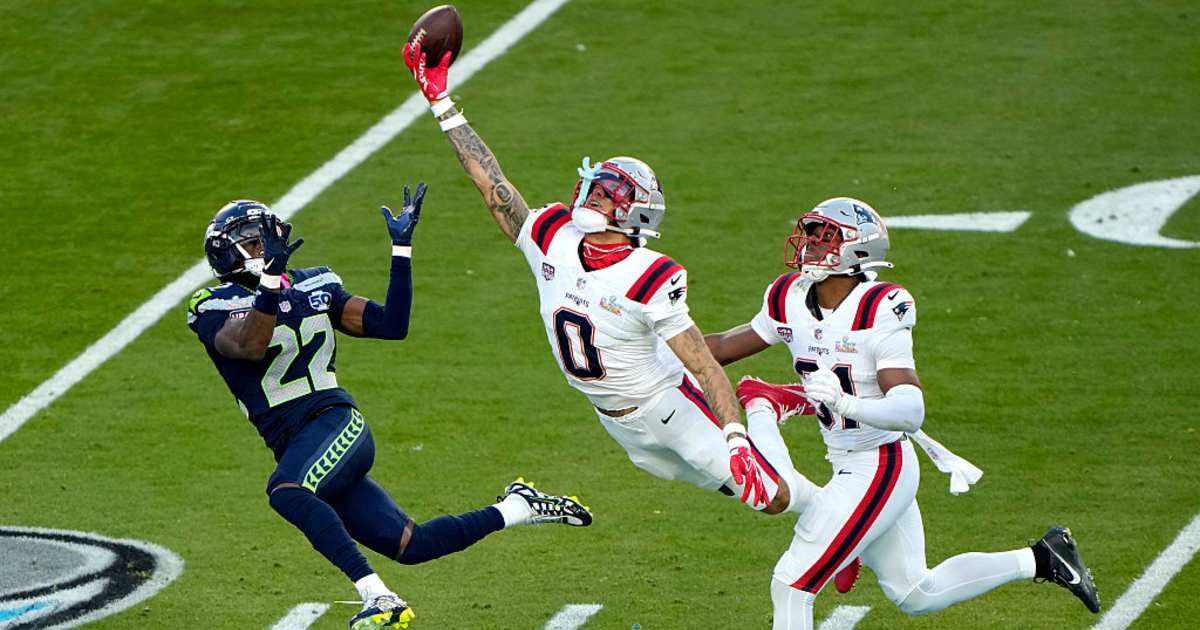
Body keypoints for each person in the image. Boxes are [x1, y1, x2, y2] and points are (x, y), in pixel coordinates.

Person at [399, 44, 807, 519]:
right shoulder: (552, 237)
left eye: (610, 194)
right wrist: (441, 104)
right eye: (595, 187)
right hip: (616, 422)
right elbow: (493, 184)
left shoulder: (651, 274)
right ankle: (833, 521)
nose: (595, 197)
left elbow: (701, 363)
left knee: (771, 498)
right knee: (720, 486)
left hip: (666, 405)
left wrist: (735, 432)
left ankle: (761, 405)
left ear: (635, 212)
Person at [186, 188, 592, 630]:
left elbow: (390, 325)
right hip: (298, 443)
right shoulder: (212, 305)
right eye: (252, 242)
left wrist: (401, 251)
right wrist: (269, 283)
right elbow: (248, 346)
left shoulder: (314, 283)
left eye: (266, 238)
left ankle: (380, 597)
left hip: (334, 421)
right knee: (412, 544)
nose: (264, 249)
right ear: (225, 253)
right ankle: (519, 507)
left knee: (287, 491)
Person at [703, 197, 1101, 629]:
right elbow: (724, 346)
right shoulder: (788, 296)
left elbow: (911, 410)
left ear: (857, 250)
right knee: (915, 591)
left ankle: (843, 538)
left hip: (881, 464)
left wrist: (846, 403)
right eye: (812, 234)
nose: (811, 244)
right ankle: (1043, 558)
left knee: (792, 583)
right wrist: (657, 349)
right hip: (846, 460)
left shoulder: (880, 307)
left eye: (825, 237)